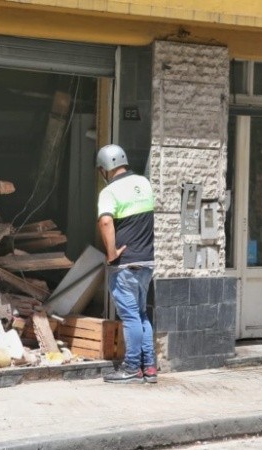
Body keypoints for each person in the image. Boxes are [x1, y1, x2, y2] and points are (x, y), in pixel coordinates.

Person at [95, 144, 157, 384]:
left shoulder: (109, 192)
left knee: (130, 317)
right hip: (147, 262)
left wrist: (111, 253)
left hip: (125, 265)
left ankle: (131, 366)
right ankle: (149, 367)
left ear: (105, 168)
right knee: (142, 316)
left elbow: (106, 223)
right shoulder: (144, 183)